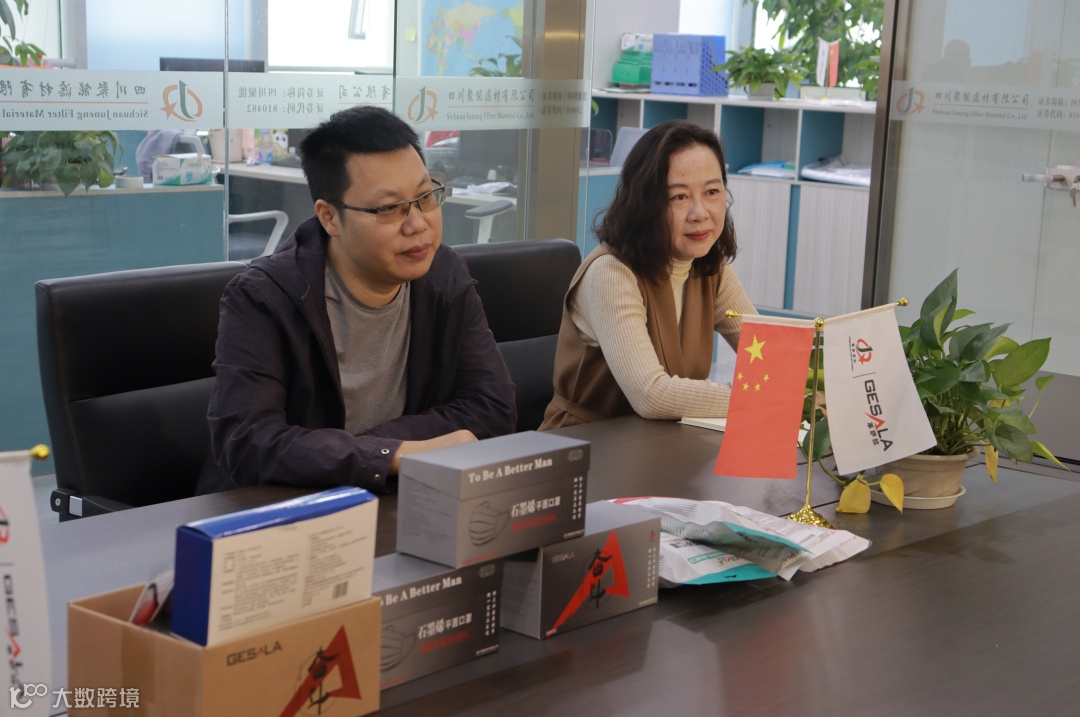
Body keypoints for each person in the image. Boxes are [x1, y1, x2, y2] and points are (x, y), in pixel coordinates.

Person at [197, 106, 516, 495]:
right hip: (278, 511)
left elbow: (493, 405)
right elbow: (248, 443)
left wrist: (369, 452)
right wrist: (391, 454)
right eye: (389, 208)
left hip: (393, 498)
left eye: (425, 197)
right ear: (329, 217)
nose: (418, 224)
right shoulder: (264, 298)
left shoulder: (443, 275)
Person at [539, 120, 757, 429]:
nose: (700, 213)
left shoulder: (709, 267)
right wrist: (758, 397)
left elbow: (771, 352)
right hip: (587, 444)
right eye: (679, 197)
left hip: (667, 440)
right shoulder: (610, 273)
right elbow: (651, 395)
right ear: (644, 203)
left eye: (712, 191)